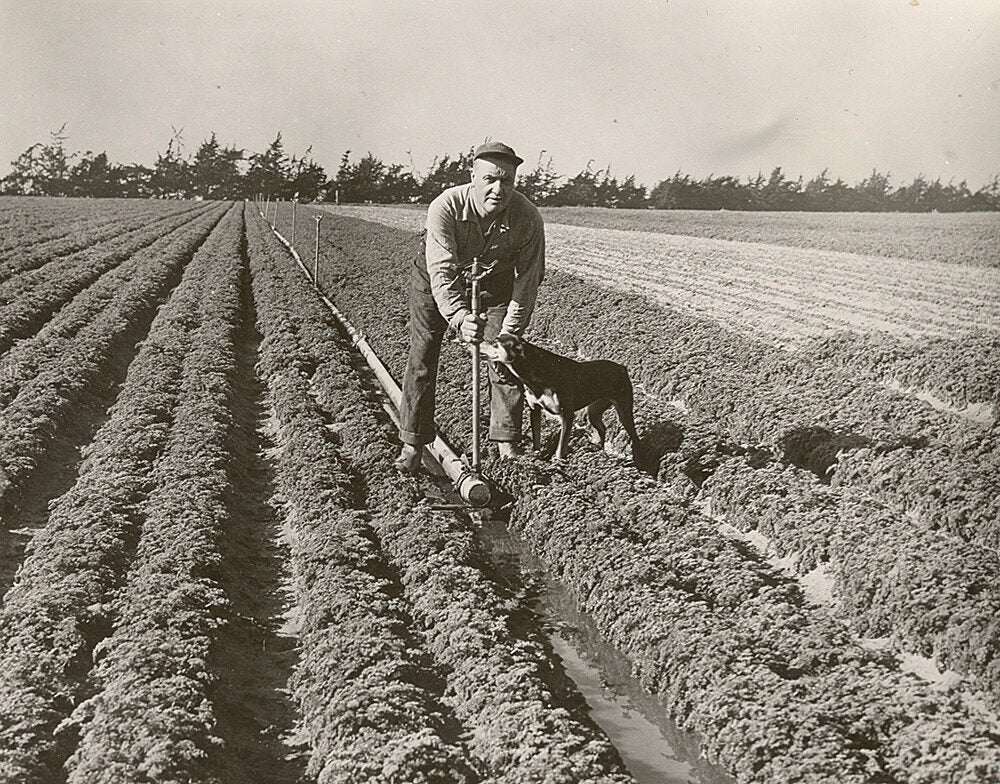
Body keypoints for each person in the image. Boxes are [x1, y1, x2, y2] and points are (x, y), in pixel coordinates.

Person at [395, 141, 546, 474]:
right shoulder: (445, 207)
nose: (498, 188)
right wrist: (461, 317)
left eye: (507, 181)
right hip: (436, 276)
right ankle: (412, 443)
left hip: (494, 280)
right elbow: (443, 272)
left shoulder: (528, 218)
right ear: (473, 176)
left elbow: (528, 282)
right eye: (490, 179)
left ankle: (507, 446)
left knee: (506, 358)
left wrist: (508, 334)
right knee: (423, 354)